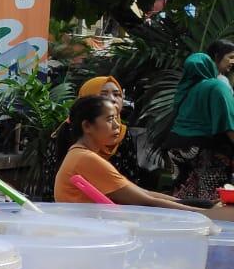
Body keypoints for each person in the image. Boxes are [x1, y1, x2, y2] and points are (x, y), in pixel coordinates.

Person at [55, 96, 196, 209]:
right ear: (87, 126)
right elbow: (146, 201)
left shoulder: (79, 155)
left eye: (117, 118)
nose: (117, 125)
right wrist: (206, 213)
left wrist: (201, 205)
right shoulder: (85, 159)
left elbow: (144, 194)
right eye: (110, 119)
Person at [169, 44, 234, 202]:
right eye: (230, 57)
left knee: (183, 196)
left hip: (176, 147)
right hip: (206, 149)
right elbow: (228, 122)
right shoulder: (217, 86)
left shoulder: (187, 89)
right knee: (211, 199)